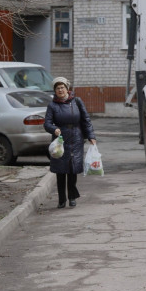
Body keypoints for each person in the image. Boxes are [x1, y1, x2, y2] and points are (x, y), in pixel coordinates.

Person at [44, 77, 97, 209]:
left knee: (73, 169)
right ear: (55, 91)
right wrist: (54, 129)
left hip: (76, 139)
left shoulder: (77, 101)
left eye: (62, 87)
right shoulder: (52, 105)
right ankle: (62, 200)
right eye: (57, 88)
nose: (60, 90)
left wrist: (91, 135)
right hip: (60, 141)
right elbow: (47, 123)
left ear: (67, 88)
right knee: (60, 171)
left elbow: (86, 120)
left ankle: (72, 197)